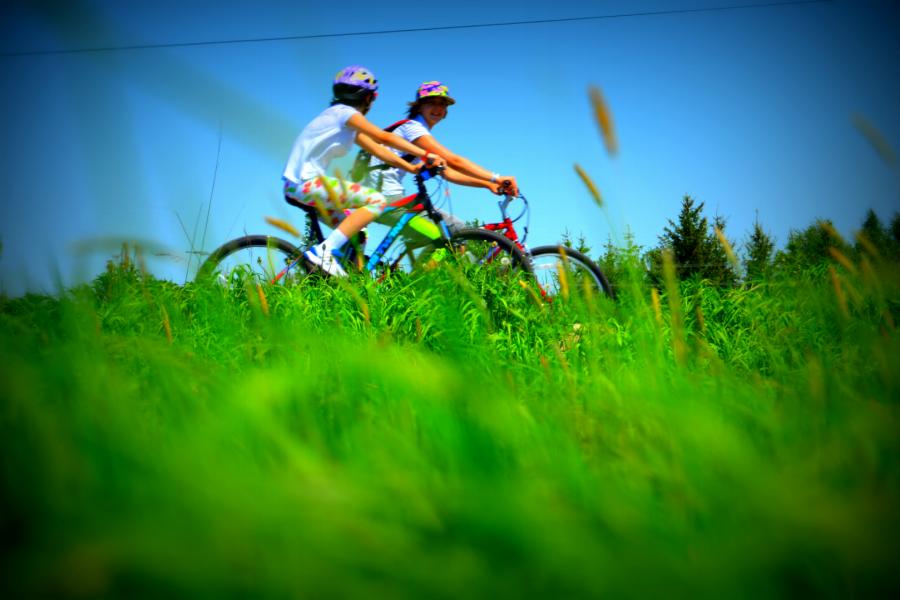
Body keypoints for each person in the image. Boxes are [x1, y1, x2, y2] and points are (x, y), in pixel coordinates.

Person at [282, 66, 445, 277]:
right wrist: (425, 154)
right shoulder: (346, 114)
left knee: (357, 233)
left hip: (297, 187)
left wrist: (411, 167)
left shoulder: (338, 119)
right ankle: (324, 252)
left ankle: (339, 280)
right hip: (307, 184)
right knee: (376, 200)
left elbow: (378, 150)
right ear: (369, 98)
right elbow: (383, 138)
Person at [363, 81, 519, 246]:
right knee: (449, 235)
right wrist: (496, 178)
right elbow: (454, 161)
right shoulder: (413, 128)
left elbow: (447, 172)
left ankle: (421, 260)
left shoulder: (416, 131)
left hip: (389, 196)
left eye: (442, 104)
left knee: (454, 229)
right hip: (386, 198)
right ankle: (426, 262)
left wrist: (487, 184)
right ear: (419, 106)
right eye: (432, 103)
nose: (438, 108)